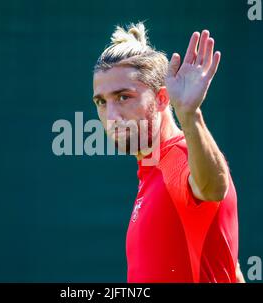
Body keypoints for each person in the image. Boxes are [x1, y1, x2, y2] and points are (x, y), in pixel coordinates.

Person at [92, 22, 243, 282]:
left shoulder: (179, 156)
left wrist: (190, 115)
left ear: (162, 99)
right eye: (101, 102)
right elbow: (231, 270)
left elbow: (213, 188)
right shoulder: (151, 171)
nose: (111, 116)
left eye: (123, 97)